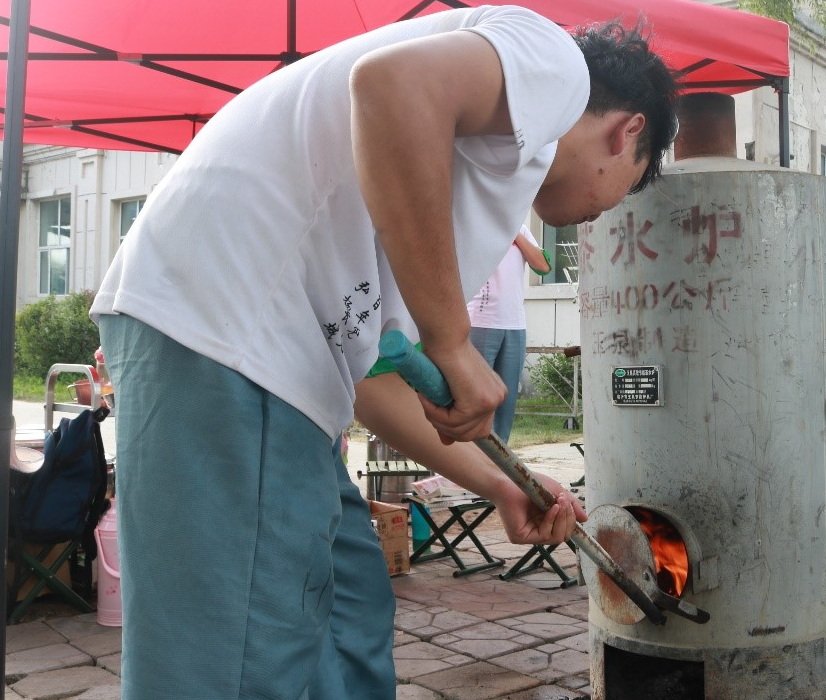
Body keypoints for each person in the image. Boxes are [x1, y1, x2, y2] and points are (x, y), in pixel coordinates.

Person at [88, 7, 678, 700]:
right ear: (627, 131)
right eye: (621, 194)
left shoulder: (464, 187)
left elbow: (371, 383)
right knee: (237, 663)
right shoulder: (553, 64)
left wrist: (502, 485)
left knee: (351, 611)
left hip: (281, 367)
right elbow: (390, 86)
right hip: (229, 331)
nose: (599, 216)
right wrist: (452, 341)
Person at [468, 225, 551, 442]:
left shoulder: (520, 227)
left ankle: (499, 460)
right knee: (478, 396)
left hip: (515, 323)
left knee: (507, 398)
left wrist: (513, 231)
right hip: (480, 320)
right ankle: (469, 459)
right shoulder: (474, 221)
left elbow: (543, 266)